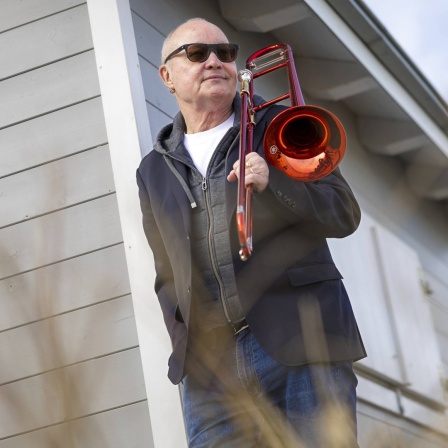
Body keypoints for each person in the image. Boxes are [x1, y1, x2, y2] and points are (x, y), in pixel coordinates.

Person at [136, 17, 366, 448]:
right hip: (211, 371)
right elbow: (166, 272)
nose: (215, 62)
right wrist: (187, 345)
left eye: (225, 53)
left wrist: (275, 183)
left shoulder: (281, 124)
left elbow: (343, 213)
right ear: (167, 76)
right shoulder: (152, 170)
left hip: (304, 340)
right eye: (196, 53)